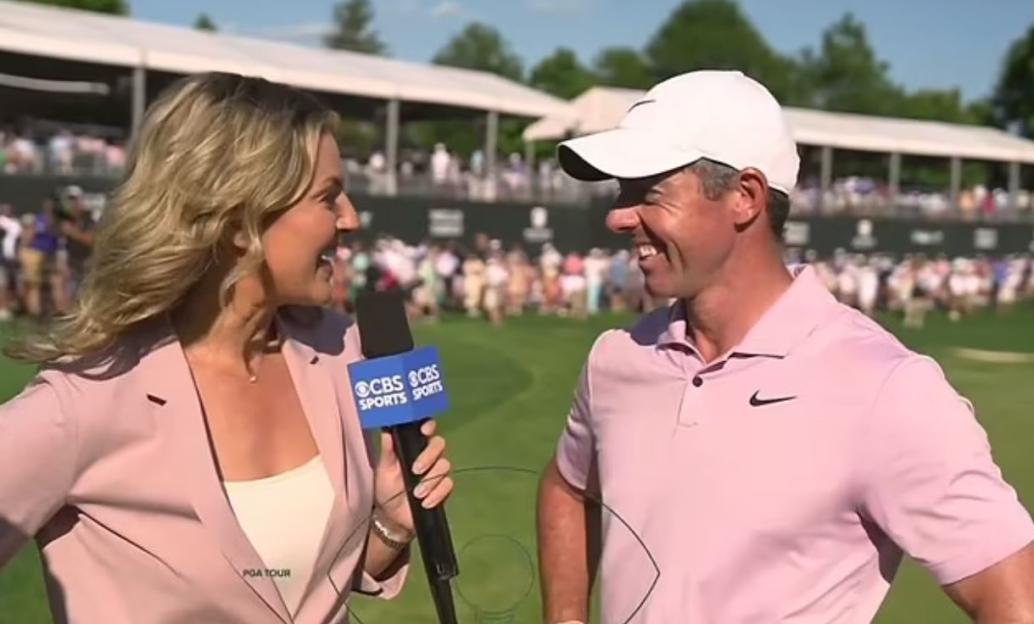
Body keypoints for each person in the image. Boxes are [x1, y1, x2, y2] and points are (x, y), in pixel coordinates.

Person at [536, 70, 1034, 624]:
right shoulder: (616, 358)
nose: (618, 216)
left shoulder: (885, 386)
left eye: (649, 193)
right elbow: (568, 486)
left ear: (744, 197)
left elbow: (1015, 597)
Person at [0, 73, 454, 623]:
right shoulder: (85, 401)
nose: (351, 220)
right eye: (328, 197)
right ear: (240, 221)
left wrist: (389, 524)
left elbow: (294, 589)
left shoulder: (341, 353)